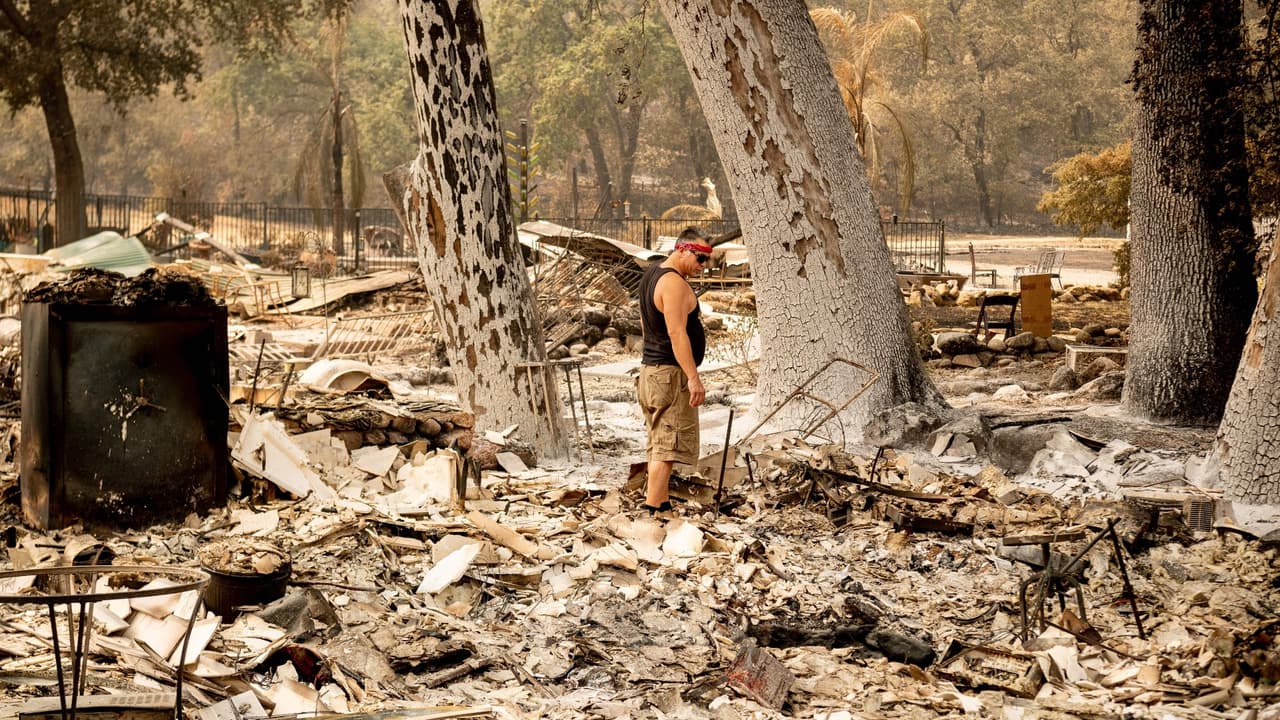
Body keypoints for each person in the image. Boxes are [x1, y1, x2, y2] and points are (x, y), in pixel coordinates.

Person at [636, 226, 712, 514]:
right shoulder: (674, 284)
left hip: (652, 371)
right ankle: (652, 510)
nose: (703, 267)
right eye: (700, 259)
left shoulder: (651, 276)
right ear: (682, 249)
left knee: (659, 440)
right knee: (667, 448)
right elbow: (677, 333)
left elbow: (645, 324)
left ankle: (662, 502)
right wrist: (693, 378)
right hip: (669, 374)